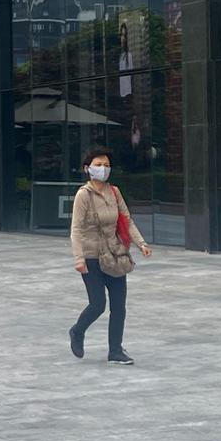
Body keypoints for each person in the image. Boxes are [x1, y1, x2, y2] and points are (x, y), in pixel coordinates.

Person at [68, 147, 152, 365]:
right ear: (87, 169)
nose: (103, 169)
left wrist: (141, 243)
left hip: (115, 255)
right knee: (97, 304)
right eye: (98, 165)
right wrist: (79, 258)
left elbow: (127, 220)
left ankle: (115, 350)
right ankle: (77, 331)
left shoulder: (114, 192)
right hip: (91, 257)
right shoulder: (83, 195)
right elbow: (76, 229)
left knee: (118, 306)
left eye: (106, 165)